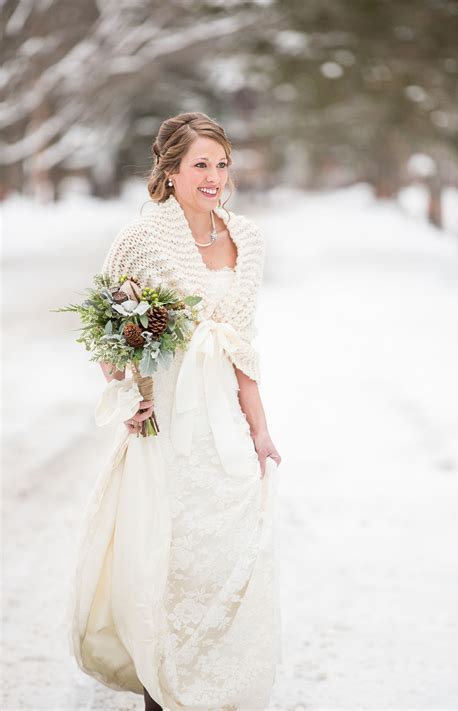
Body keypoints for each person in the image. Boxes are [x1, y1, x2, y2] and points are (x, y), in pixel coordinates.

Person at [68, 112, 282, 711]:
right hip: (166, 421)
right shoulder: (141, 238)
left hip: (223, 428)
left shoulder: (248, 239)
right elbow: (105, 328)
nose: (214, 176)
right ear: (170, 171)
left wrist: (260, 430)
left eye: (222, 164)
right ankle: (159, 695)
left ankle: (216, 690)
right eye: (200, 165)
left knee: (223, 561)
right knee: (164, 564)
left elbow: (242, 344)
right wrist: (128, 393)